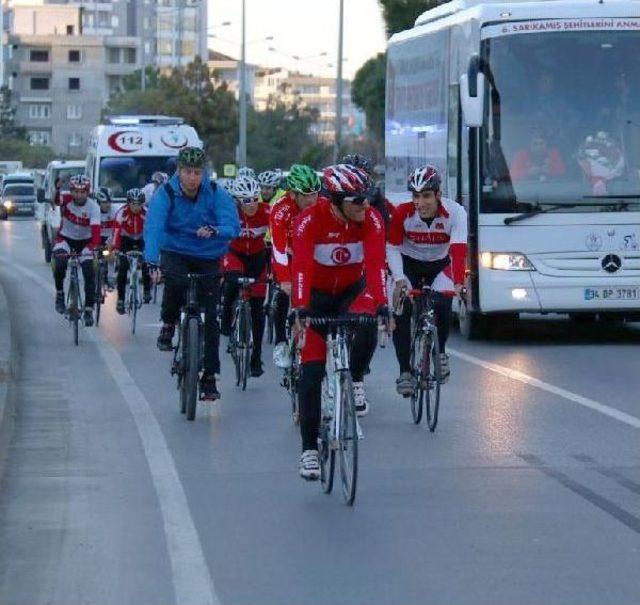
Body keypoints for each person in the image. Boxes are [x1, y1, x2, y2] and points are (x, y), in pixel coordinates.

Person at [290, 164, 387, 481]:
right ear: (335, 201)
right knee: (311, 372)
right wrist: (301, 308)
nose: (365, 205)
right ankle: (308, 451)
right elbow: (301, 266)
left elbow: (375, 264)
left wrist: (383, 304)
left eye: (367, 198)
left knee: (369, 321)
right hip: (316, 297)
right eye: (357, 200)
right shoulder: (309, 221)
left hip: (350, 291)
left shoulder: (370, 219)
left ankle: (355, 378)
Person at [144, 147, 240, 401]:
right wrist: (152, 261)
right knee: (174, 281)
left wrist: (216, 230)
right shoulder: (166, 193)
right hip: (175, 249)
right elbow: (154, 226)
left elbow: (233, 225)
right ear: (179, 171)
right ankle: (168, 323)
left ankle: (209, 376)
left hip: (209, 254)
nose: (193, 178)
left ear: (204, 173)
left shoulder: (216, 193)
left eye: (198, 172)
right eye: (187, 172)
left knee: (211, 317)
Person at [388, 165, 467, 395]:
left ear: (438, 195)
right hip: (408, 264)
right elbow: (391, 247)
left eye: (426, 196)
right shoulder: (403, 213)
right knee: (401, 308)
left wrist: (459, 283)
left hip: (440, 265)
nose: (420, 203)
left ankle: (440, 352)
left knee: (442, 303)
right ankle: (405, 370)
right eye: (415, 196)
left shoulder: (456, 213)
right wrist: (400, 279)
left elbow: (459, 250)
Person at [269, 164, 321, 368]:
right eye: (306, 195)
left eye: (315, 193)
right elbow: (278, 247)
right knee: (283, 294)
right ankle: (281, 341)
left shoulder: (322, 205)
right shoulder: (280, 208)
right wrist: (284, 279)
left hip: (312, 255)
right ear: (293, 194)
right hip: (288, 256)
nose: (312, 200)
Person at [220, 176, 270, 377]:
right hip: (235, 254)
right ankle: (225, 318)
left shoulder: (267, 211)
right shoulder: (230, 214)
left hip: (258, 257)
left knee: (258, 309)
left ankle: (256, 357)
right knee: (233, 280)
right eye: (245, 200)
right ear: (238, 201)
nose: (251, 205)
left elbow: (281, 235)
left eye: (254, 199)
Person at [52, 175, 101, 326]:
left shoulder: (94, 207)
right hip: (65, 238)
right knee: (60, 263)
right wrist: (58, 188)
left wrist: (93, 248)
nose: (79, 195)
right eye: (75, 192)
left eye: (82, 192)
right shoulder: (66, 199)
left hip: (85, 242)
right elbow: (56, 200)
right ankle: (60, 293)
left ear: (88, 192)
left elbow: (96, 233)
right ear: (71, 191)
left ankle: (88, 309)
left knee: (89, 272)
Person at [112, 188, 151, 314]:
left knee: (146, 263)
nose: (135, 207)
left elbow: (152, 232)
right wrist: (116, 249)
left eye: (138, 204)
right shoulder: (121, 213)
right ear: (128, 203)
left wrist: (152, 250)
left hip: (141, 239)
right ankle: (121, 300)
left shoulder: (147, 213)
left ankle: (146, 290)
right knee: (123, 268)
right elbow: (117, 232)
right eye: (133, 204)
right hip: (125, 240)